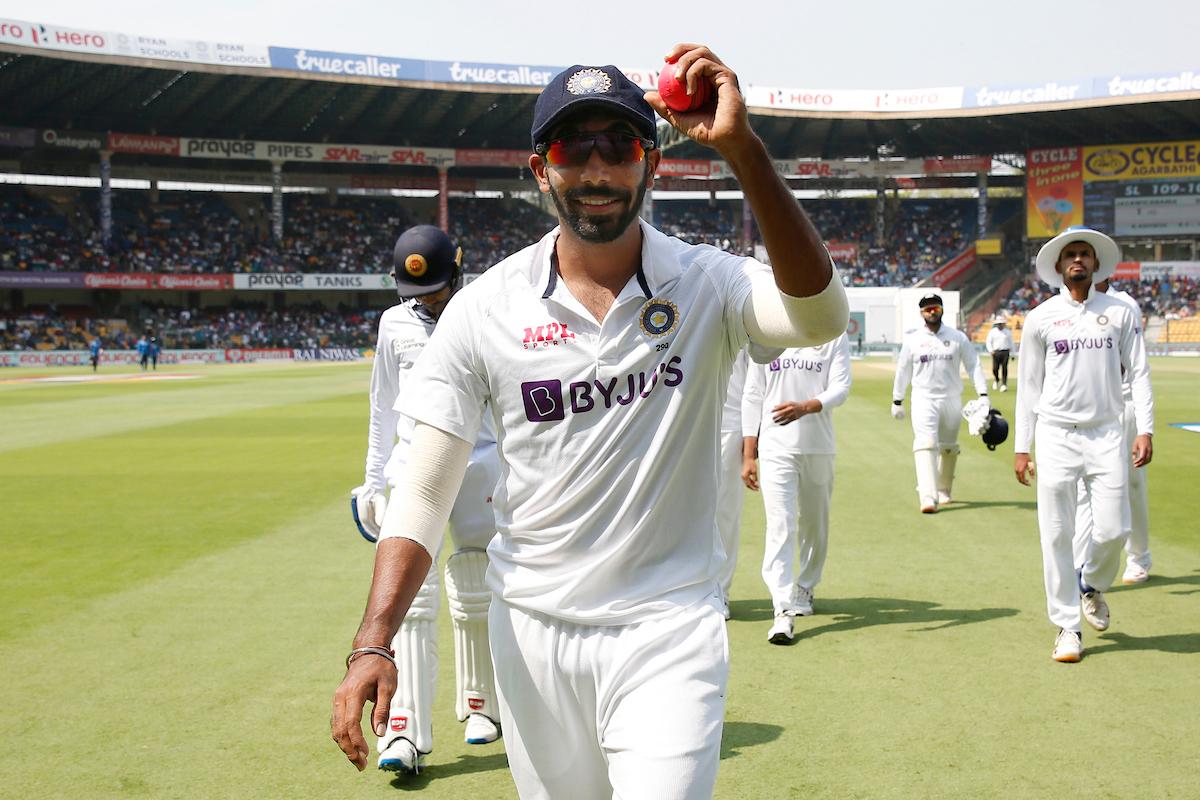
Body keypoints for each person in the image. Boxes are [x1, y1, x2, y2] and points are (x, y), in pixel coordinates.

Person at [331, 45, 849, 799]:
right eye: (575, 148)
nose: (597, 170)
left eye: (620, 146)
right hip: (531, 628)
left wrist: (744, 150)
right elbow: (424, 489)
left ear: (652, 163)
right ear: (540, 168)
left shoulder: (709, 281)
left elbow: (821, 315)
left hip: (668, 625)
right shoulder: (485, 309)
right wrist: (373, 640)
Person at [349, 225, 502, 774]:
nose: (427, 302)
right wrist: (371, 481)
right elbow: (382, 407)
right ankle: (404, 729)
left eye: (436, 290)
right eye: (417, 294)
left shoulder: (486, 307)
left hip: (480, 461)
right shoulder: (395, 323)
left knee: (476, 581)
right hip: (414, 469)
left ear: (458, 274)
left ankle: (481, 704)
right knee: (411, 601)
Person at [1014, 227, 1153, 663]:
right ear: (1058, 267)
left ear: (1096, 265)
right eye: (1070, 255)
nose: (1078, 260)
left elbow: (1140, 374)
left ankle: (1089, 583)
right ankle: (1067, 627)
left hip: (1108, 431)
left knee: (1114, 529)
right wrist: (1022, 446)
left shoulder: (1120, 311)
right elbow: (1028, 385)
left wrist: (1144, 428)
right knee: (1056, 533)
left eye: (1085, 255)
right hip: (1055, 434)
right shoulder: (1041, 317)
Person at [741, 333, 851, 644]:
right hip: (776, 447)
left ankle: (806, 585)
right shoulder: (767, 336)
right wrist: (749, 454)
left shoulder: (831, 334)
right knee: (780, 525)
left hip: (818, 447)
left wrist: (807, 406)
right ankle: (782, 610)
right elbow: (753, 394)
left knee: (815, 524)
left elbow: (841, 387)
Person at [1071, 276, 1155, 586]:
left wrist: (1145, 428)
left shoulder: (1124, 305)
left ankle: (1139, 557)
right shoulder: (1066, 305)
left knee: (1132, 484)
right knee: (1083, 488)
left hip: (1123, 404)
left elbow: (1136, 367)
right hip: (1087, 411)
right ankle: (1081, 567)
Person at [891, 294, 988, 513]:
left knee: (948, 447)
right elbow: (903, 371)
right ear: (921, 313)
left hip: (952, 398)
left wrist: (983, 394)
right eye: (927, 309)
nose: (932, 312)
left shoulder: (957, 337)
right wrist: (898, 399)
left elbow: (973, 365)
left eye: (935, 308)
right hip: (924, 398)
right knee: (925, 443)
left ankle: (944, 489)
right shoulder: (913, 340)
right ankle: (928, 495)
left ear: (942, 310)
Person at [985, 314, 1013, 391]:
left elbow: (1011, 342)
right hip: (996, 352)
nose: (1000, 325)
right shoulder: (992, 332)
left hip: (1005, 351)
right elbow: (988, 342)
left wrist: (1013, 353)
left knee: (1004, 368)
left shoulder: (1007, 332)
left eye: (1002, 323)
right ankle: (996, 380)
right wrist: (991, 350)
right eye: (999, 324)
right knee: (995, 369)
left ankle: (1004, 384)